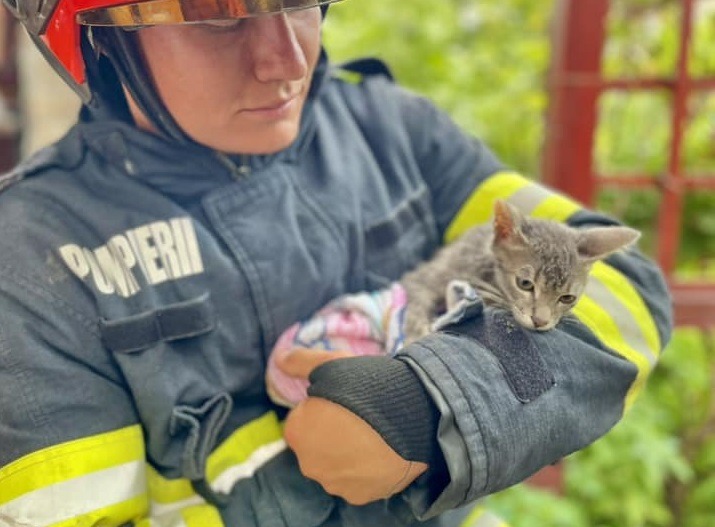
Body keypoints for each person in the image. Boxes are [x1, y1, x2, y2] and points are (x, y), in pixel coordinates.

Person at [0, 0, 672, 525]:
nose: (284, 58)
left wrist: (435, 397)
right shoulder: (32, 254)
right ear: (96, 38)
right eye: (211, 14)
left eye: (298, 1)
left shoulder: (395, 131)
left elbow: (625, 289)